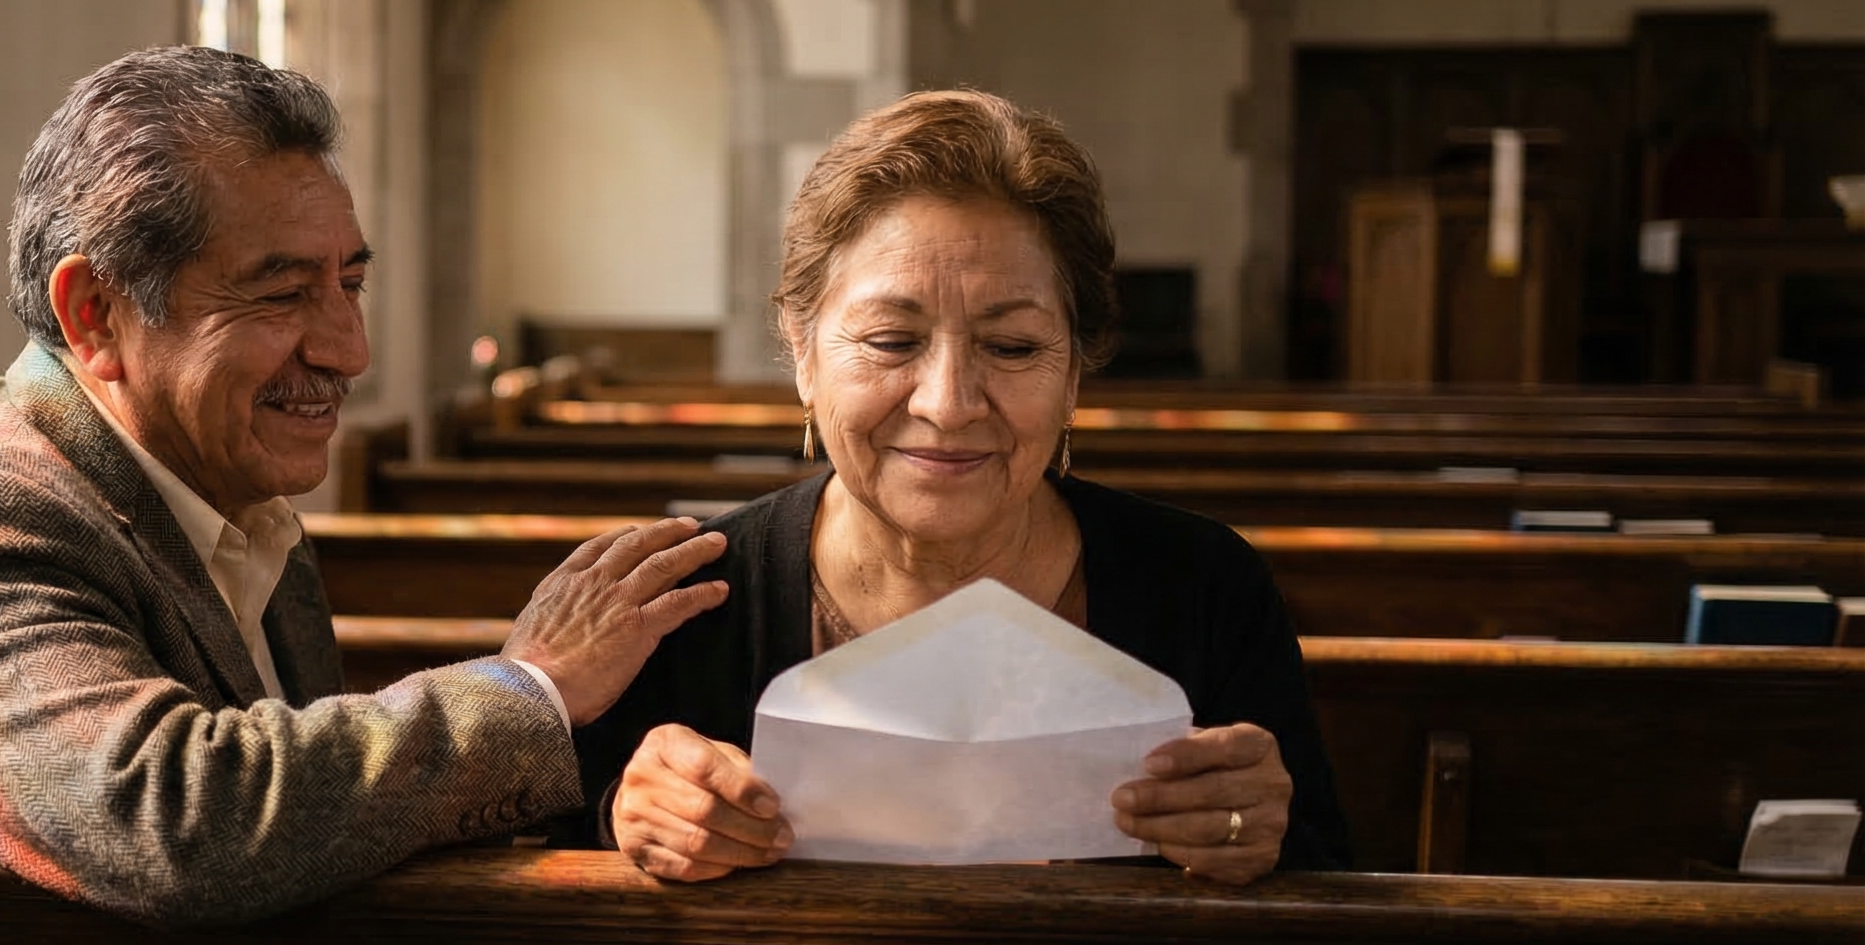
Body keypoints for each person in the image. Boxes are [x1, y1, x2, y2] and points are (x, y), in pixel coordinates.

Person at [0, 46, 728, 925]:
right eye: (282, 295)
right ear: (96, 314)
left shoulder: (231, 493)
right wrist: (533, 688)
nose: (348, 351)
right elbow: (179, 821)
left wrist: (624, 795)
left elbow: (310, 843)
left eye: (349, 285)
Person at [575, 89, 1351, 886]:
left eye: (1012, 347)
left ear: (1074, 372)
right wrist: (626, 818)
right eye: (891, 340)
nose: (947, 405)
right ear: (803, 353)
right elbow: (549, 875)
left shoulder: (1205, 588)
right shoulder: (684, 606)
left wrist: (1256, 835)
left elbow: (1320, 890)